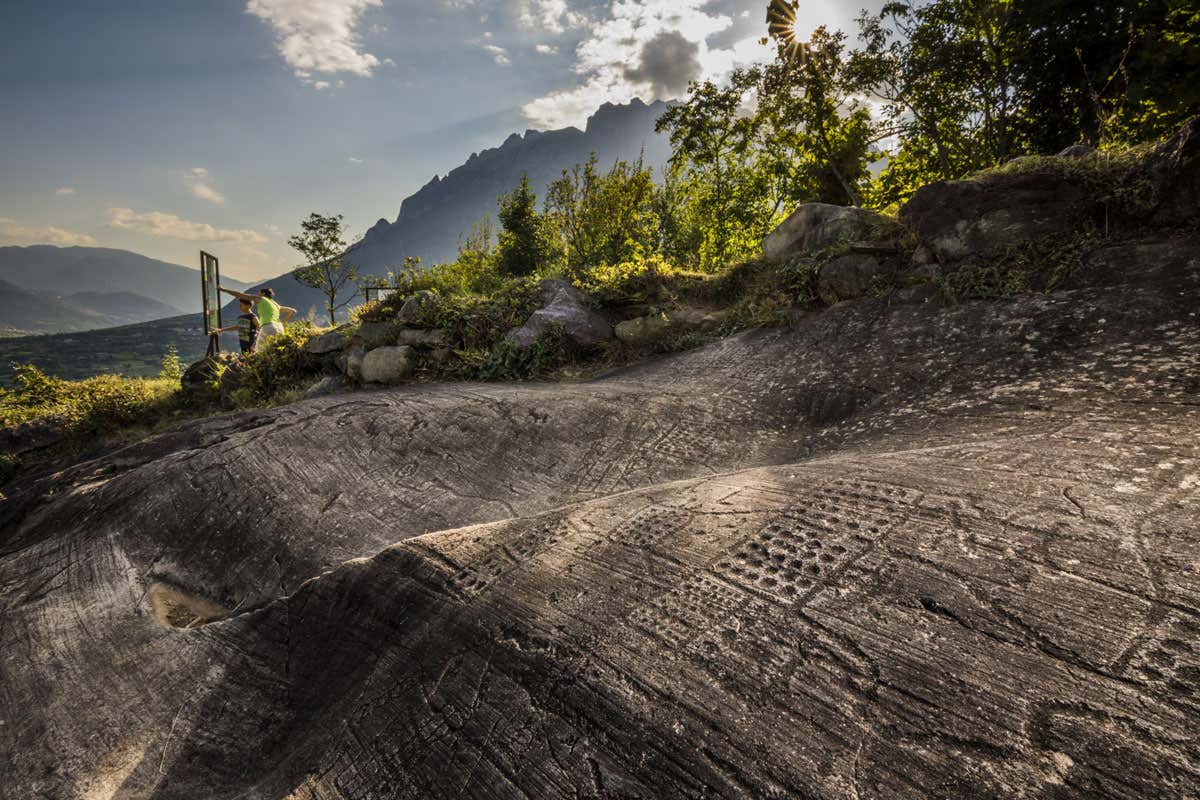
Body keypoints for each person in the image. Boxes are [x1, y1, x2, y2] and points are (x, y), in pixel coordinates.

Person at [220, 286, 296, 351]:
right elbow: (292, 311)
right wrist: (282, 322)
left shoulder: (261, 298)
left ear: (263, 294)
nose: (257, 295)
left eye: (259, 293)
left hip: (268, 327)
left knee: (258, 352)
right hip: (280, 328)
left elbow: (241, 295)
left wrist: (223, 290)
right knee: (276, 351)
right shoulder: (276, 305)